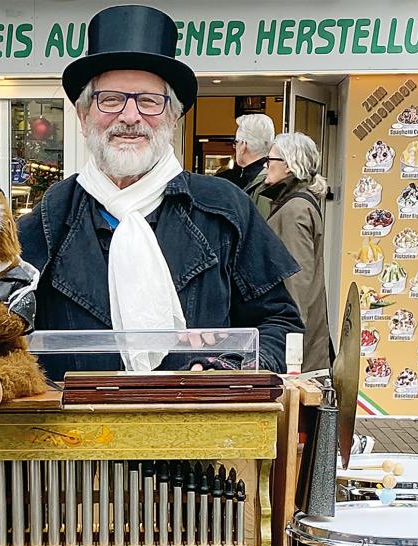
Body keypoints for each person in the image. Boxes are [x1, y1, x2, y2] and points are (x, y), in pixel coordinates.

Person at [17, 5, 304, 380]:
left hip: (199, 431)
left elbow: (280, 324)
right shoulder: (49, 220)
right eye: (111, 99)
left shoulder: (225, 210)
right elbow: (0, 323)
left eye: (150, 101)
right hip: (73, 435)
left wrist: (234, 367)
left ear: (172, 116)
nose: (131, 116)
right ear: (83, 114)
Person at [261, 133, 331, 372]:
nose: (265, 165)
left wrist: (289, 348)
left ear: (289, 166)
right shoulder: (295, 204)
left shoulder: (294, 210)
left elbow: (295, 282)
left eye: (270, 159)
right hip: (300, 340)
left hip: (295, 349)